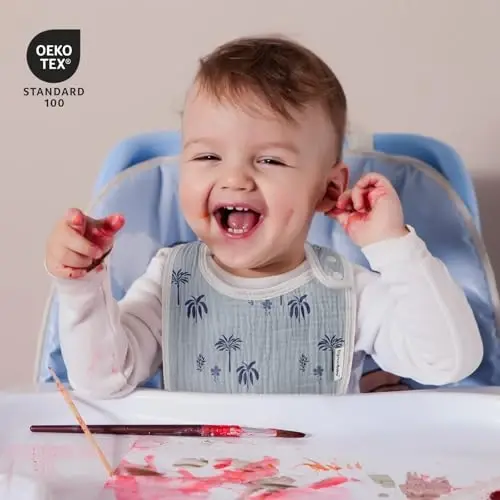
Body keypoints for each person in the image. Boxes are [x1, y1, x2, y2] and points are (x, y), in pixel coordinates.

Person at [45, 35, 483, 399]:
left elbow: (447, 362)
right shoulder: (170, 283)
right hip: (198, 470)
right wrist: (82, 286)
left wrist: (392, 245)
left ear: (328, 188)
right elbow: (103, 381)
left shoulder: (349, 291)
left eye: (270, 160)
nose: (235, 178)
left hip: (323, 469)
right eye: (208, 156)